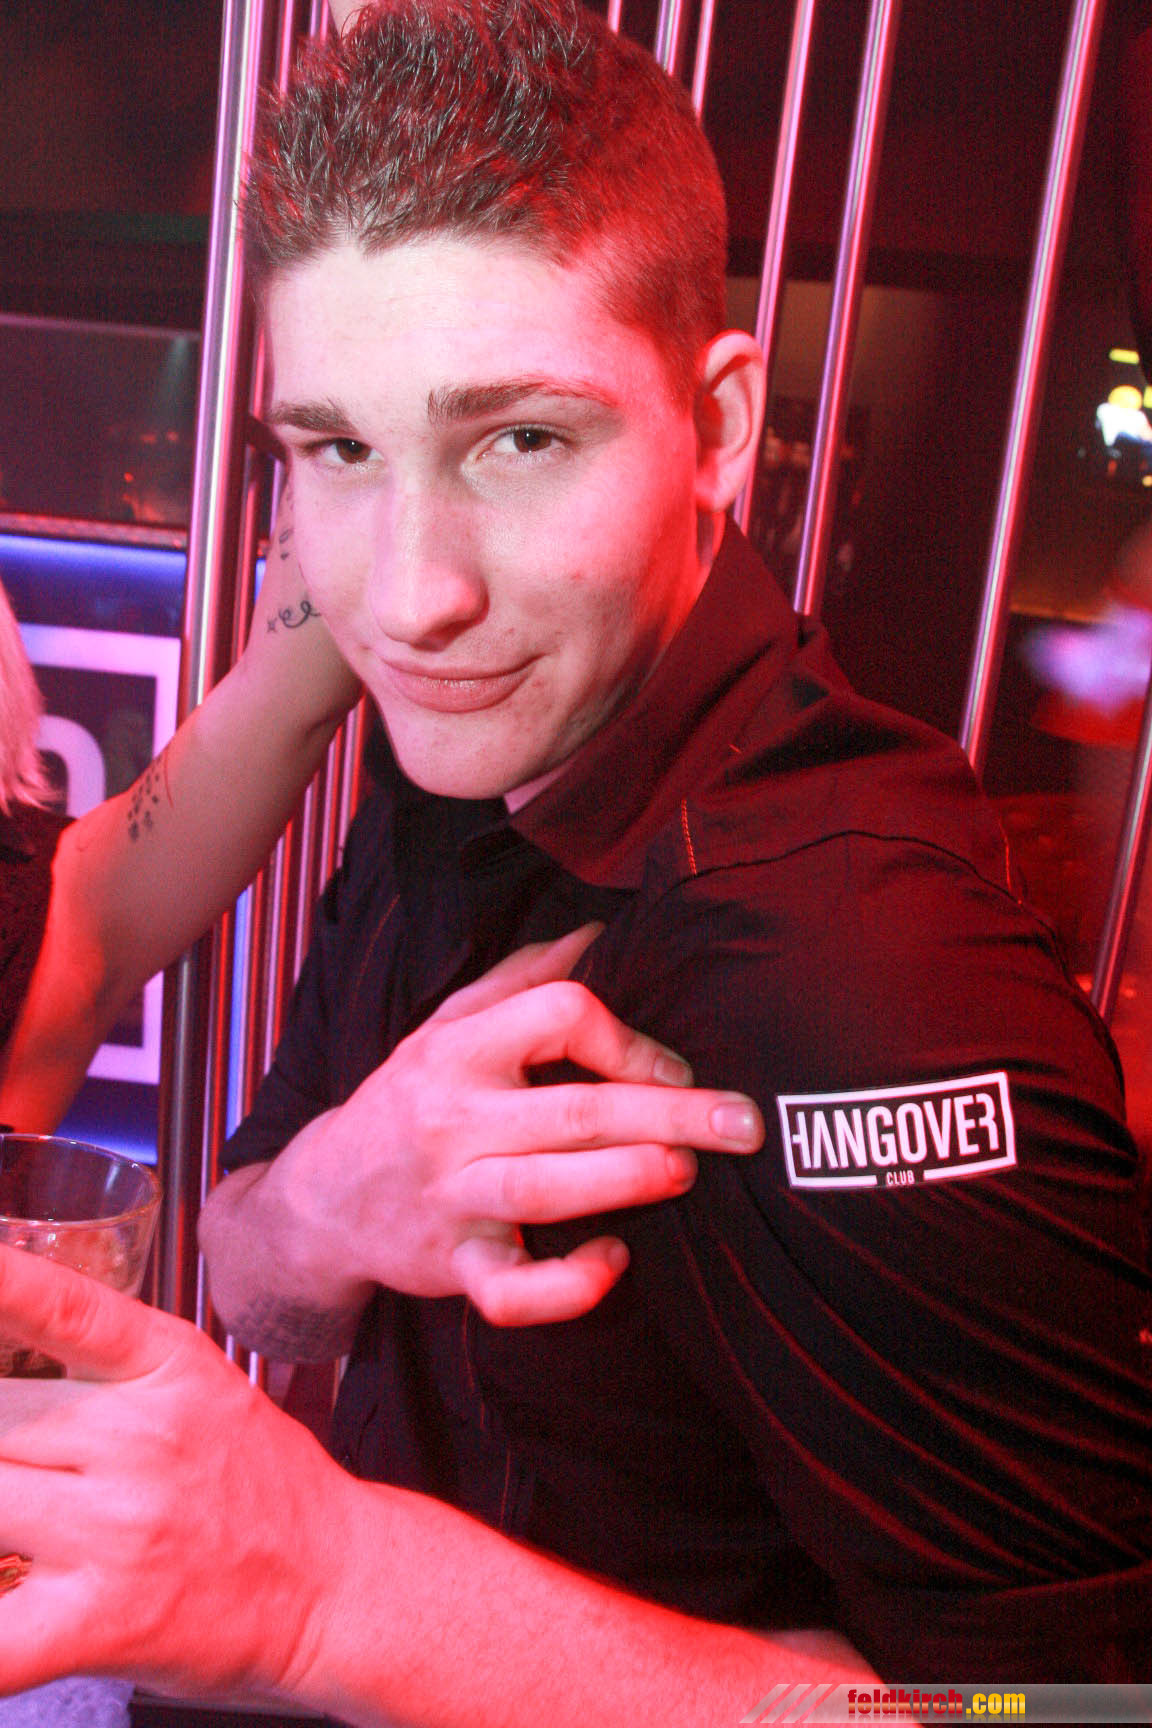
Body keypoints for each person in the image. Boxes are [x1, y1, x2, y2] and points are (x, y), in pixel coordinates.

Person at [0, 0, 1150, 1713]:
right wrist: (324, 1208)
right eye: (339, 451)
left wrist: (331, 1588)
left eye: (519, 440)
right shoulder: (476, 738)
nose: (411, 599)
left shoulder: (863, 981)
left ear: (721, 426)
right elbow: (251, 1263)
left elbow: (1073, 1711)